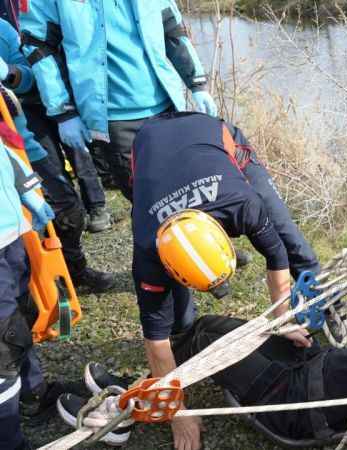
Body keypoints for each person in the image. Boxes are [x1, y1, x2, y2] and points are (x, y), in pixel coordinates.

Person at [58, 295, 347, 444]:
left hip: (293, 402)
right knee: (212, 323)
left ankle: (127, 406)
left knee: (210, 338)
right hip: (312, 362)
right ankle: (158, 380)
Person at [112, 111, 319, 449]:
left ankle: (323, 300)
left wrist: (282, 319)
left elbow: (277, 256)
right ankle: (188, 327)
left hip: (208, 135)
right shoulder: (148, 251)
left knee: (287, 235)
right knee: (176, 325)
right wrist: (178, 415)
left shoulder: (245, 205)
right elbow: (157, 342)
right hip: (148, 146)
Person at [19, 0, 217, 202]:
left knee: (188, 191)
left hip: (168, 107)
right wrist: (63, 112)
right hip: (114, 122)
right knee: (149, 202)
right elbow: (38, 45)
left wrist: (196, 82)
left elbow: (172, 28)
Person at [0, 18, 113, 292]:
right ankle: (27, 294)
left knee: (66, 209)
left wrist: (9, 73)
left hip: (22, 141)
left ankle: (72, 272)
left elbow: (30, 78)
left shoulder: (4, 31)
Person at [0, 111, 55, 450]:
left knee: (22, 317)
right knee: (3, 342)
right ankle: (9, 438)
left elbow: (5, 147)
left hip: (10, 230)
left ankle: (33, 393)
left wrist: (29, 190)